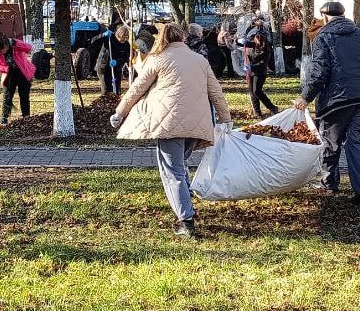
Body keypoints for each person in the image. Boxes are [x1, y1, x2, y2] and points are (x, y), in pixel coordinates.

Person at [112, 22, 233, 238]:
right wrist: (226, 120)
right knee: (180, 165)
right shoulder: (200, 60)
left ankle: (186, 221)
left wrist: (119, 113)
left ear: (162, 39)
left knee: (172, 171)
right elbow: (217, 93)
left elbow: (136, 89)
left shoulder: (158, 60)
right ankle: (186, 202)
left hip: (168, 125)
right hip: (196, 126)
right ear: (183, 38)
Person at [293, 1, 360, 207]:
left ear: (324, 18)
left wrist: (305, 97)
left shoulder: (323, 37)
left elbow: (319, 72)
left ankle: (329, 184)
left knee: (330, 143)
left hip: (336, 100)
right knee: (357, 142)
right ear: (344, 15)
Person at [0, 36, 36, 124]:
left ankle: (26, 116)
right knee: (7, 96)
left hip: (23, 74)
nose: (0, 52)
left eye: (1, 50)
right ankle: (4, 117)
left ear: (6, 46)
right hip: (9, 75)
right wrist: (6, 69)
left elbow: (29, 48)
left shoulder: (16, 46)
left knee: (24, 96)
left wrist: (15, 43)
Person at [242, 20, 279, 118]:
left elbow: (262, 64)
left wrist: (251, 67)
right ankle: (258, 113)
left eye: (257, 45)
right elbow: (246, 41)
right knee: (252, 92)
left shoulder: (266, 50)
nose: (255, 45)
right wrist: (240, 41)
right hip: (250, 71)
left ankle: (273, 107)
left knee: (257, 91)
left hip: (260, 72)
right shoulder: (254, 42)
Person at [97, 25, 131, 95]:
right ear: (118, 35)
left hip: (116, 68)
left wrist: (117, 62)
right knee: (107, 90)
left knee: (116, 89)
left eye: (125, 38)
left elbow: (125, 57)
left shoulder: (126, 45)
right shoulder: (109, 38)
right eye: (122, 38)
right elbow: (93, 42)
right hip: (104, 68)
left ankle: (116, 104)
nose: (123, 40)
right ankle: (105, 104)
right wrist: (102, 35)